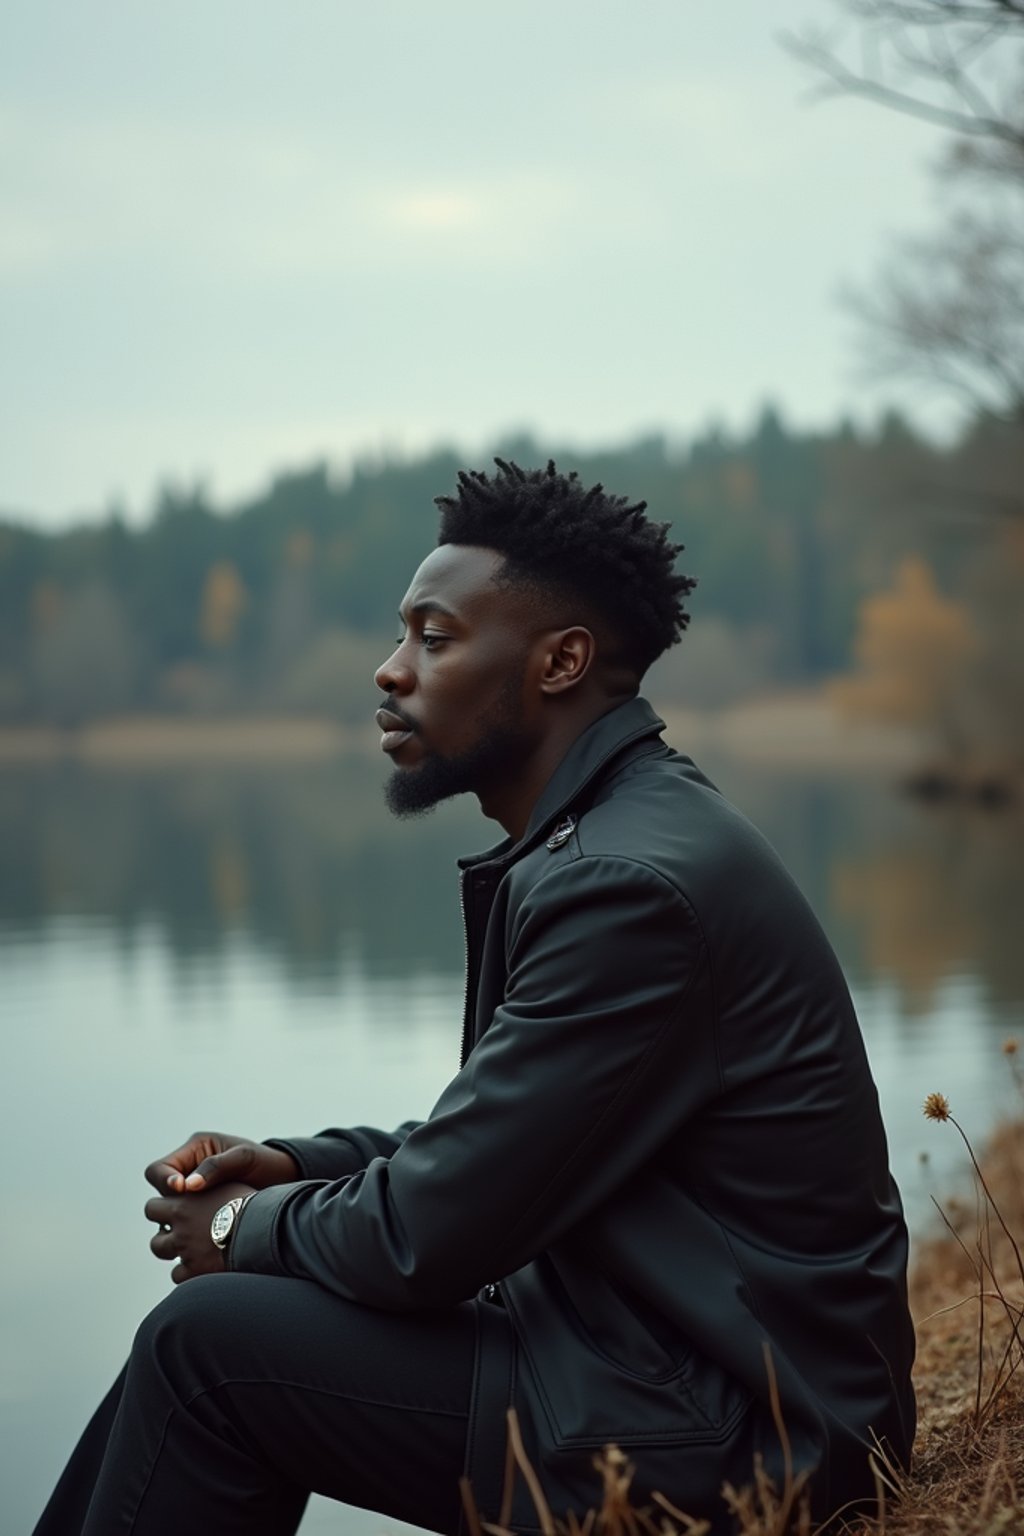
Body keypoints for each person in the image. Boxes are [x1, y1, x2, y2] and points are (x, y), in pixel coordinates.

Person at [34, 460, 915, 1536]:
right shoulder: (612, 837)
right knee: (217, 1334)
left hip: (750, 1441)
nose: (389, 671)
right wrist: (300, 1167)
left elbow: (432, 1235)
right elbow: (510, 1146)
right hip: (663, 1373)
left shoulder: (623, 885)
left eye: (432, 638)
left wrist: (241, 1223)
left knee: (208, 1348)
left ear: (560, 662)